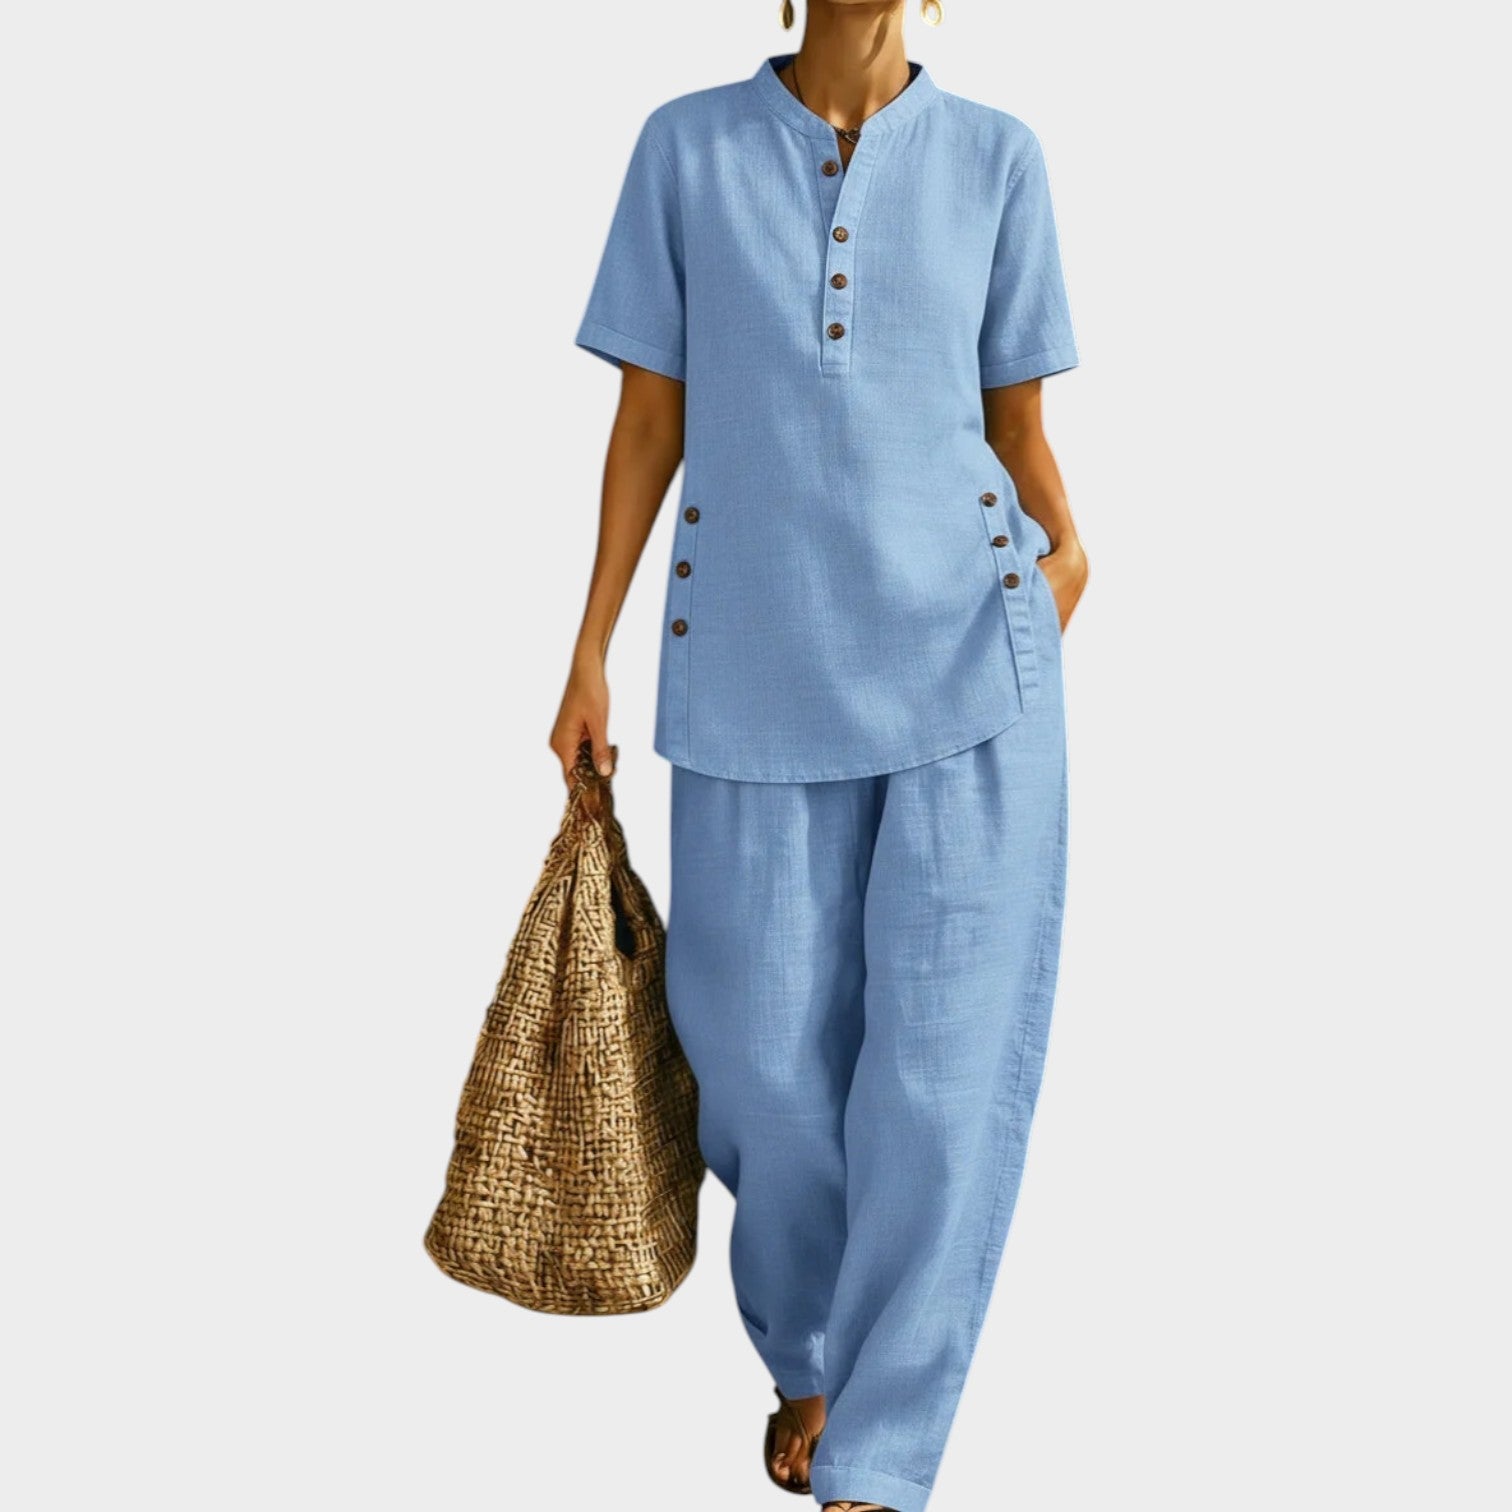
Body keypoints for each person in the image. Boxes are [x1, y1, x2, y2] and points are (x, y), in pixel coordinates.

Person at [551, 4, 1087, 1509]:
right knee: (756, 1056)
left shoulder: (997, 159)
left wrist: (1071, 556)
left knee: (938, 1076)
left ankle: (881, 1457)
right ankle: (809, 1352)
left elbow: (1016, 424)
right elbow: (649, 415)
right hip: (745, 667)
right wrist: (589, 644)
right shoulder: (687, 149)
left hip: (969, 669)